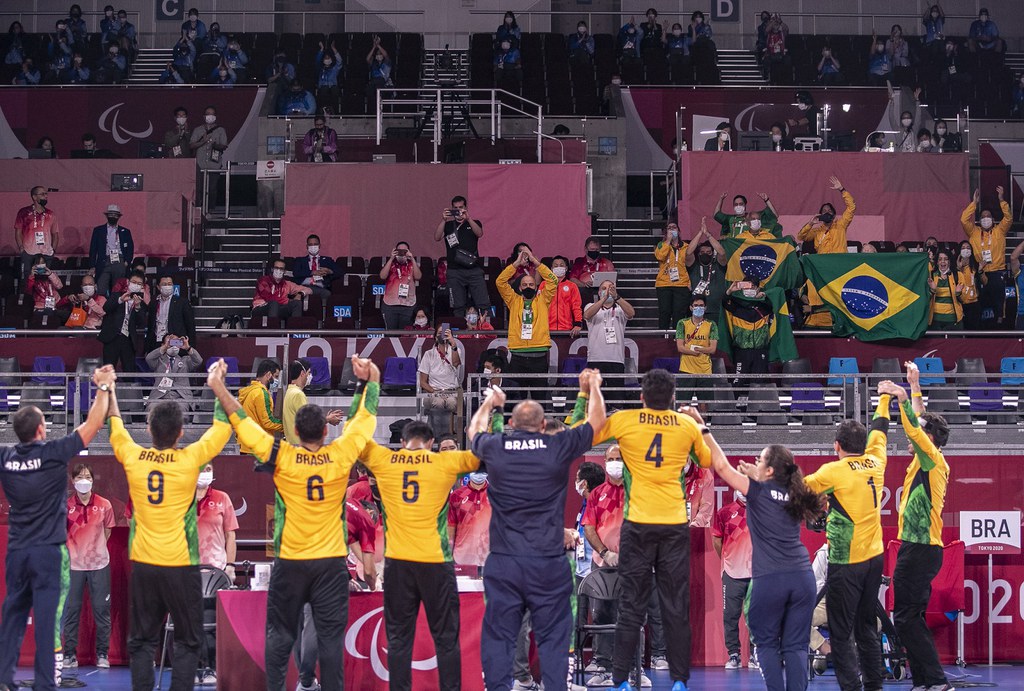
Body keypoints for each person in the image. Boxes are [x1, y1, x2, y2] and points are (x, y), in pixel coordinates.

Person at [213, 356, 380, 691]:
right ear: (323, 430)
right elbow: (364, 420)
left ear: (298, 431)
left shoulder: (282, 455)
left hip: (291, 562)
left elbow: (242, 422)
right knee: (331, 641)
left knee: (280, 634)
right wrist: (368, 382)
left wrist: (219, 386)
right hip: (331, 565)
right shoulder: (339, 455)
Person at [469, 370, 606, 691]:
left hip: (504, 562)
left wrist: (491, 402)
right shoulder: (555, 446)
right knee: (554, 638)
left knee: (499, 635)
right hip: (547, 562)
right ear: (543, 426)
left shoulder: (496, 446)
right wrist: (593, 388)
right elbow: (596, 423)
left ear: (512, 425)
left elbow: (473, 429)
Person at [106, 361, 237, 691]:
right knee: (188, 641)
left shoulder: (134, 458)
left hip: (146, 567)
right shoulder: (190, 459)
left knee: (141, 643)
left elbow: (116, 427)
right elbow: (223, 429)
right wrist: (218, 385)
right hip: (181, 567)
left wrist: (109, 389)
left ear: (149, 429)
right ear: (181, 433)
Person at [590, 369, 710, 691]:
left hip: (639, 525)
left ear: (641, 396)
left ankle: (619, 681)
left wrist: (593, 390)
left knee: (632, 604)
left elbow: (589, 431)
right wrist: (699, 423)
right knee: (674, 605)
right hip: (673, 525)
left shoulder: (627, 420)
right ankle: (679, 682)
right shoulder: (685, 425)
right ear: (672, 398)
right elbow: (708, 458)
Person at [0, 365, 114, 691]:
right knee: (47, 619)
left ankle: (3, 679)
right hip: (48, 553)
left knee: (12, 616)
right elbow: (93, 425)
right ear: (40, 430)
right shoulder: (52, 453)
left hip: (17, 551)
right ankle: (44, 684)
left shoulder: (6, 458)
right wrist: (103, 387)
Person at [691, 413, 821, 691]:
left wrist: (701, 425)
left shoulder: (758, 491)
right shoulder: (795, 492)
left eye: (760, 460)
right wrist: (755, 474)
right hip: (802, 578)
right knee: (796, 646)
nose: (756, 463)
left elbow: (722, 467)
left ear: (771, 470)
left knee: (767, 644)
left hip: (771, 579)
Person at [357, 420, 480, 690]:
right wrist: (488, 412)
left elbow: (356, 438)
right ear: (432, 443)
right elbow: (486, 453)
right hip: (435, 562)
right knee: (446, 639)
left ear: (403, 442)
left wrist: (367, 388)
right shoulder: (444, 462)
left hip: (399, 563)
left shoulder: (386, 460)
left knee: (399, 639)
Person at [803, 393, 892, 691]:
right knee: (866, 626)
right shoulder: (876, 461)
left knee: (841, 633)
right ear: (862, 445)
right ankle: (874, 686)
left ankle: (851, 688)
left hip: (846, 562)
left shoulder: (834, 470)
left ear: (837, 446)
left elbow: (800, 490)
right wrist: (883, 397)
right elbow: (881, 428)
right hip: (874, 559)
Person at [885, 364, 954, 691]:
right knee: (910, 618)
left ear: (928, 438)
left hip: (920, 548)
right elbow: (920, 420)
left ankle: (936, 681)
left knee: (906, 618)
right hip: (922, 549)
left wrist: (900, 397)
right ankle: (926, 682)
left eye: (918, 431)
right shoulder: (926, 458)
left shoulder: (931, 458)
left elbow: (915, 428)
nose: (909, 434)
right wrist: (914, 386)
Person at [62, 463, 116, 670]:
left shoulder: (104, 505)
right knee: (72, 612)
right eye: (79, 477)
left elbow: (107, 531)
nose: (83, 481)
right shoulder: (66, 506)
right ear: (73, 481)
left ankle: (102, 654)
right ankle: (69, 656)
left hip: (99, 565)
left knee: (102, 611)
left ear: (93, 480)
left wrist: (94, 549)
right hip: (73, 566)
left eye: (87, 477)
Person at [194, 462, 238, 685]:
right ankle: (192, 667)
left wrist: (230, 565)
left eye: (209, 469)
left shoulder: (222, 498)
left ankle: (211, 668)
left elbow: (230, 536)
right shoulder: (181, 497)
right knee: (188, 622)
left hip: (215, 571)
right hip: (187, 570)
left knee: (211, 623)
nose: (204, 473)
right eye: (201, 468)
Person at [497, 248, 557, 398]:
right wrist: (516, 264)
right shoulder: (513, 300)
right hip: (518, 357)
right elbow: (500, 281)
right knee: (517, 399)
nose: (528, 287)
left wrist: (536, 262)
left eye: (531, 284)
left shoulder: (543, 299)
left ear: (536, 287)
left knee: (540, 398)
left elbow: (553, 280)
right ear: (519, 288)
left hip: (539, 356)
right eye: (525, 285)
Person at [712, 491, 754, 670]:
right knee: (730, 616)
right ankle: (733, 655)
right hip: (731, 573)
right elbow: (716, 539)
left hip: (756, 574)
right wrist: (727, 559)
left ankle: (755, 655)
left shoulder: (761, 511)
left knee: (756, 617)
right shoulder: (725, 512)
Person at [962, 186, 1011, 328]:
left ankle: (1000, 327)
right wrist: (974, 204)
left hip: (997, 273)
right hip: (979, 272)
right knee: (979, 305)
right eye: (982, 217)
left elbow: (1008, 218)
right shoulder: (974, 232)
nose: (985, 218)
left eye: (988, 216)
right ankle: (978, 330)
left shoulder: (1000, 231)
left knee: (998, 305)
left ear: (993, 219)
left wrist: (1001, 200)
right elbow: (964, 220)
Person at [434, 195, 489, 318]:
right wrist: (443, 220)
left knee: (483, 303)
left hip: (473, 269)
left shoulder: (474, 222)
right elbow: (437, 237)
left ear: (466, 208)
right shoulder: (448, 225)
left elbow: (479, 233)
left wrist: (468, 218)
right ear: (451, 209)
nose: (458, 210)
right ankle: (460, 333)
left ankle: (485, 330)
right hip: (454, 270)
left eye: (461, 207)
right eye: (455, 208)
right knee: (458, 305)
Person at [282, 358, 343, 445]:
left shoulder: (289, 391)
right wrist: (328, 419)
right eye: (309, 373)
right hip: (300, 446)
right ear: (302, 373)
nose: (310, 376)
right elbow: (309, 423)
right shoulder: (298, 395)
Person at [723, 278, 772, 382]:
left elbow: (778, 294)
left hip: (760, 351)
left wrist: (765, 295)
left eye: (752, 286)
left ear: (758, 289)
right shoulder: (736, 306)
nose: (749, 289)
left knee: (758, 384)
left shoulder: (766, 306)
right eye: (746, 286)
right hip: (741, 351)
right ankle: (736, 399)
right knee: (738, 382)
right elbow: (723, 303)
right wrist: (729, 291)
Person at [419, 324, 463, 439]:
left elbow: (456, 364)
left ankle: (453, 438)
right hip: (433, 391)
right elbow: (423, 382)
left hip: (452, 391)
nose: (442, 336)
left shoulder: (456, 350)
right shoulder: (429, 354)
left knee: (452, 403)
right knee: (438, 402)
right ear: (435, 337)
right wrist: (436, 392)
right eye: (440, 333)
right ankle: (436, 438)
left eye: (446, 334)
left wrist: (453, 345)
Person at [584, 278, 635, 377]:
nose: (607, 291)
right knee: (596, 392)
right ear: (599, 293)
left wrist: (617, 297)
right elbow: (586, 315)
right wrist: (603, 298)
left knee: (616, 392)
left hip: (616, 359)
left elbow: (631, 313)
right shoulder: (590, 306)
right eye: (604, 288)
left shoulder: (620, 309)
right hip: (595, 358)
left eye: (610, 288)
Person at [675, 294, 718, 413]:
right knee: (683, 403)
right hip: (686, 368)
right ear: (690, 308)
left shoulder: (711, 325)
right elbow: (680, 347)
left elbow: (712, 349)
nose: (698, 308)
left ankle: (703, 429)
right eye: (696, 306)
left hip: (705, 369)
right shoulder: (682, 323)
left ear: (705, 308)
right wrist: (694, 352)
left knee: (703, 405)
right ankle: (684, 429)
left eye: (701, 306)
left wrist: (697, 350)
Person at [98, 271, 147, 371]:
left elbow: (142, 322)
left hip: (128, 340)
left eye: (139, 284)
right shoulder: (117, 295)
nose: (136, 285)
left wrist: (137, 306)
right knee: (108, 371)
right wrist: (120, 300)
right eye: (134, 282)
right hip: (112, 337)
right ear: (128, 282)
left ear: (142, 286)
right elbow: (106, 308)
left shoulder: (141, 302)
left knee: (129, 371)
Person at [144, 333, 202, 418]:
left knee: (181, 412)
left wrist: (188, 348)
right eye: (171, 342)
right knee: (152, 411)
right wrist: (165, 347)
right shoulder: (158, 361)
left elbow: (198, 361)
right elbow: (149, 358)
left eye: (176, 342)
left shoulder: (185, 360)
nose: (173, 345)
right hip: (160, 397)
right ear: (163, 344)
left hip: (180, 397)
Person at [448, 466, 492, 571]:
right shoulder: (456, 496)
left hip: (489, 559)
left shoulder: (496, 494)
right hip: (462, 559)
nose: (479, 472)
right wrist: (448, 558)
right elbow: (450, 528)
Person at [797, 176, 855, 254]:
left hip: (840, 261)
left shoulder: (841, 225)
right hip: (823, 263)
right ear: (820, 215)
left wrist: (841, 189)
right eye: (824, 211)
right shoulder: (817, 231)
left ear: (834, 215)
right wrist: (810, 224)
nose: (827, 212)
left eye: (829, 211)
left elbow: (851, 207)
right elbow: (801, 237)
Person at [238, 358, 283, 454]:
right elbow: (268, 421)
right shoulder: (261, 393)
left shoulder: (250, 391)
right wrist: (285, 425)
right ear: (268, 375)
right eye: (276, 376)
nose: (277, 380)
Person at [14, 186, 60, 278]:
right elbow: (18, 232)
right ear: (34, 197)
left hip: (46, 253)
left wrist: (53, 250)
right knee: (28, 279)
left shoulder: (51, 214)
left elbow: (55, 234)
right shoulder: (24, 212)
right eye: (42, 194)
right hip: (29, 253)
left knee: (44, 280)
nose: (46, 196)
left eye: (46, 194)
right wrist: (22, 249)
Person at [88, 204, 133, 296]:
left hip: (119, 260)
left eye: (115, 215)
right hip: (104, 260)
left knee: (118, 289)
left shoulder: (125, 231)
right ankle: (102, 307)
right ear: (107, 215)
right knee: (101, 288)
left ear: (118, 216)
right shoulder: (98, 230)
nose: (113, 216)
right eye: (111, 214)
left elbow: (130, 248)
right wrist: (92, 265)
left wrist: (127, 261)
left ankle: (116, 308)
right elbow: (93, 249)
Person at [655, 221, 692, 328]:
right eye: (669, 228)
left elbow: (689, 263)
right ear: (666, 232)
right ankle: (663, 339)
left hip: (681, 284)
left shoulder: (685, 246)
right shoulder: (661, 245)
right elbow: (660, 257)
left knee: (679, 314)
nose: (672, 230)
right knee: (664, 312)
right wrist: (668, 240)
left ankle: (678, 339)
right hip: (664, 284)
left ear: (678, 231)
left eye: (674, 227)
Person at [252, 257, 311, 323]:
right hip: (261, 307)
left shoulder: (287, 284)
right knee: (274, 303)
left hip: (280, 307)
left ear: (284, 271)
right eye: (276, 268)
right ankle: (273, 331)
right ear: (272, 269)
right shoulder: (263, 281)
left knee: (296, 303)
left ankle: (294, 330)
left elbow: (309, 290)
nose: (278, 270)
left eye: (281, 269)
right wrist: (288, 299)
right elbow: (269, 298)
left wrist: (301, 293)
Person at [146, 275, 195, 353]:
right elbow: (150, 325)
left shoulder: (182, 302)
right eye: (164, 284)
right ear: (158, 287)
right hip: (157, 341)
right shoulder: (153, 302)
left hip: (175, 342)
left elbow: (190, 326)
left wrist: (190, 348)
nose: (167, 286)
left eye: (169, 284)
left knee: (174, 364)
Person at [686, 230, 727, 323]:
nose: (705, 254)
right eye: (702, 252)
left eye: (708, 252)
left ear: (713, 254)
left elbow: (722, 253)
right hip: (697, 311)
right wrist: (700, 233)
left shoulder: (718, 266)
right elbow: (688, 253)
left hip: (717, 310)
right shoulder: (694, 266)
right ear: (699, 253)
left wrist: (708, 235)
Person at [380, 241, 422, 329]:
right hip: (390, 305)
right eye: (399, 251)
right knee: (391, 334)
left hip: (408, 305)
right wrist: (391, 258)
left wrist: (412, 258)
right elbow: (382, 276)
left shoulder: (412, 264)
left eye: (405, 251)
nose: (402, 253)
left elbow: (418, 276)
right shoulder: (390, 264)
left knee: (405, 335)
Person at [569, 236, 615, 305]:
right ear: (586, 249)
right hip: (584, 294)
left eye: (597, 250)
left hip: (603, 295)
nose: (594, 252)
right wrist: (584, 284)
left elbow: (613, 279)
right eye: (592, 249)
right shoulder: (579, 263)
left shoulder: (607, 263)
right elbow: (572, 279)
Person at [714, 191, 779, 239]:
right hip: (735, 247)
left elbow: (774, 215)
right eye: (736, 204)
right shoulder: (730, 218)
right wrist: (721, 199)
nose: (738, 206)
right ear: (733, 206)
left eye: (741, 204)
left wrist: (767, 200)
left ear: (745, 205)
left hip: (749, 246)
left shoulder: (753, 217)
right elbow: (716, 214)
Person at [545, 255, 583, 337]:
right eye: (555, 266)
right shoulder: (544, 285)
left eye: (561, 265)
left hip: (566, 329)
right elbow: (539, 306)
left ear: (566, 268)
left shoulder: (572, 286)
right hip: (546, 329)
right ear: (551, 269)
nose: (559, 267)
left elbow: (576, 306)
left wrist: (578, 324)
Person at [292, 234, 338, 298]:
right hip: (303, 286)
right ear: (307, 246)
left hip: (320, 287)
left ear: (319, 246)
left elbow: (340, 272)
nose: (313, 246)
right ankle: (305, 292)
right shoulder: (300, 260)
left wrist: (330, 271)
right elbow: (296, 273)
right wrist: (312, 272)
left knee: (326, 293)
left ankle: (305, 292)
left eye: (315, 244)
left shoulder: (327, 260)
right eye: (310, 244)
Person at [928, 250, 964, 329]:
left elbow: (965, 299)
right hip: (934, 321)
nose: (943, 262)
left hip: (953, 321)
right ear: (937, 262)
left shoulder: (958, 275)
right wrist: (932, 290)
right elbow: (925, 299)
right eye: (940, 259)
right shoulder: (931, 275)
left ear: (950, 261)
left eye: (946, 259)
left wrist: (958, 293)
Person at [189, 106, 228, 171]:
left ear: (215, 116)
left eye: (212, 114)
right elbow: (191, 145)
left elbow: (224, 146)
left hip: (215, 165)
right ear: (204, 116)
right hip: (200, 165)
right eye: (208, 114)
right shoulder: (198, 130)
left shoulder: (221, 130)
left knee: (213, 180)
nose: (210, 116)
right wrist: (203, 141)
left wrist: (215, 145)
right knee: (200, 181)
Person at [957, 240, 984, 329]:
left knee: (974, 331)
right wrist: (959, 269)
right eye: (963, 248)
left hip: (974, 304)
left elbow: (985, 282)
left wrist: (980, 271)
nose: (966, 250)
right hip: (960, 303)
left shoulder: (976, 265)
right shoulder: (955, 265)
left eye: (968, 248)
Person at [314, 40, 342, 113]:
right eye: (325, 58)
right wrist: (321, 49)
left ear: (331, 60)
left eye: (328, 58)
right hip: (323, 87)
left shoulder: (335, 68)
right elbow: (317, 60)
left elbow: (339, 61)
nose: (327, 59)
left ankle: (334, 112)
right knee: (324, 90)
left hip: (333, 86)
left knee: (335, 90)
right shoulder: (320, 69)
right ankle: (323, 111)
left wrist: (333, 48)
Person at [366, 35, 392, 104]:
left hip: (382, 82)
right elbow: (367, 59)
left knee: (378, 85)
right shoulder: (374, 63)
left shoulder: (387, 63)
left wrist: (378, 45)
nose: (378, 55)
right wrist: (374, 47)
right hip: (373, 82)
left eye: (380, 54)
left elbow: (386, 55)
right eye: (377, 54)